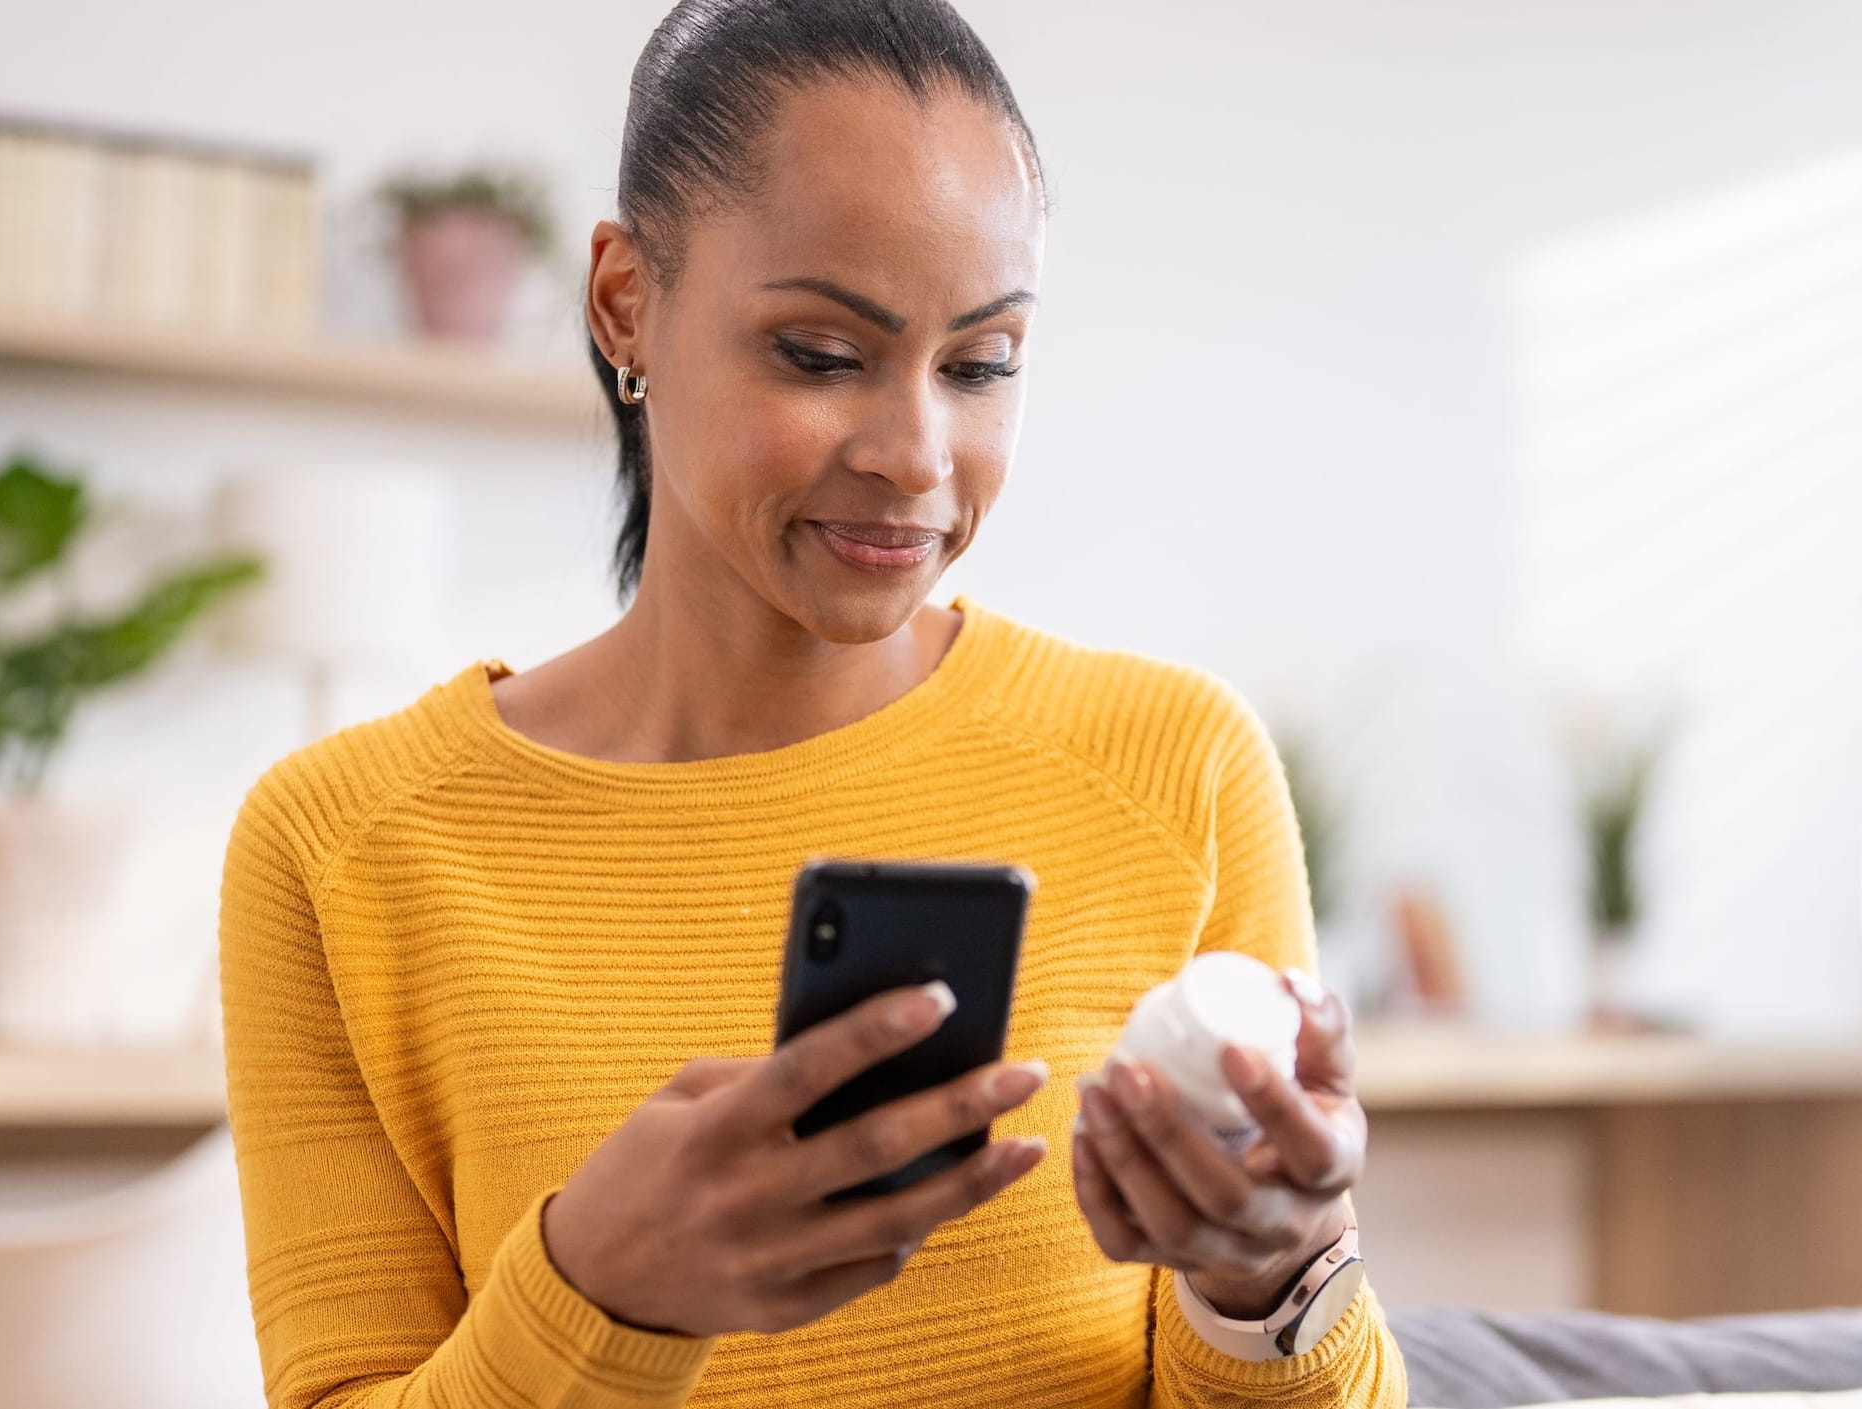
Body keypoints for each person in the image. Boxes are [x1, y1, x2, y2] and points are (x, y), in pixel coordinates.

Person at [215, 1, 1406, 1404]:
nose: (917, 454)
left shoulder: (1177, 766)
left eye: (982, 365)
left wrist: (1271, 1283)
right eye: (824, 354)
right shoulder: (342, 845)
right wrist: (600, 1291)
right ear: (624, 304)